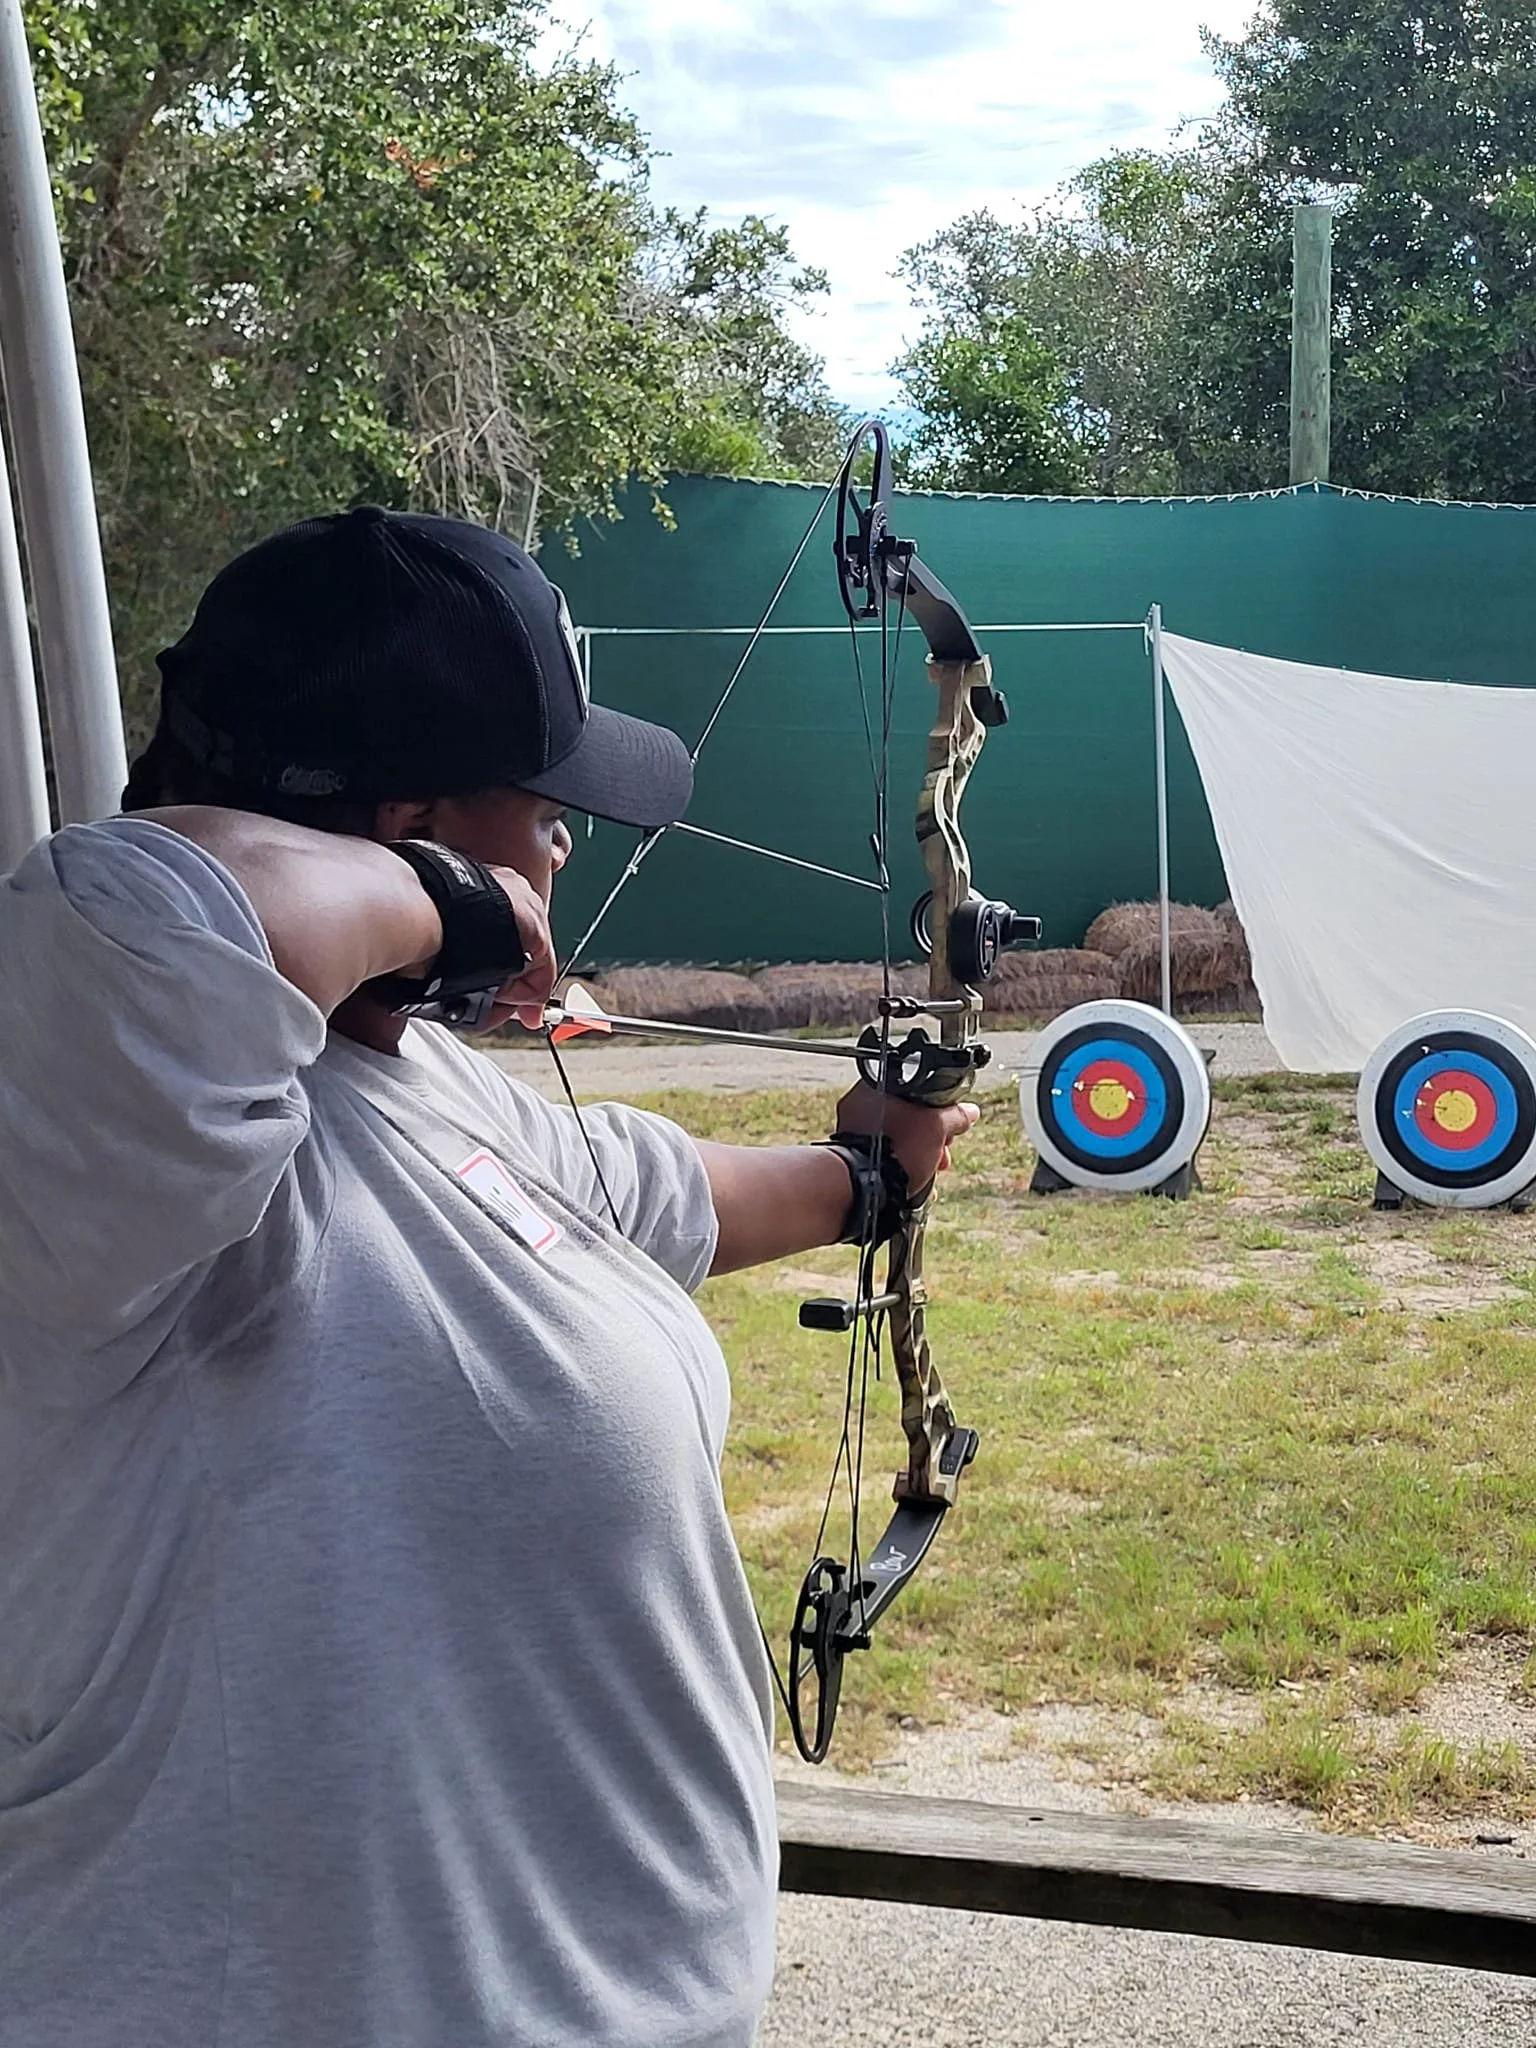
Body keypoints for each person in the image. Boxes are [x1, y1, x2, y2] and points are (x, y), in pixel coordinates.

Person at [0, 506, 976, 2048]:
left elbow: (635, 1195)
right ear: (406, 833)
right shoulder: (111, 1124)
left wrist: (864, 1176)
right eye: (547, 805)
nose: (573, 840)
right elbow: (153, 896)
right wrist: (451, 908)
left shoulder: (417, 1080)